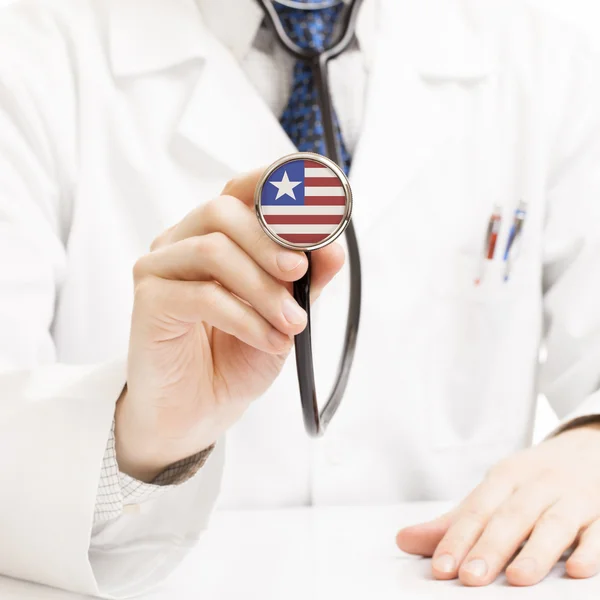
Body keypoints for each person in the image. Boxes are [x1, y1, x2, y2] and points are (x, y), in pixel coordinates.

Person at [1, 0, 600, 596]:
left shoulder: (550, 60)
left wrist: (591, 441)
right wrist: (143, 442)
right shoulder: (30, 56)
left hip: (461, 579)